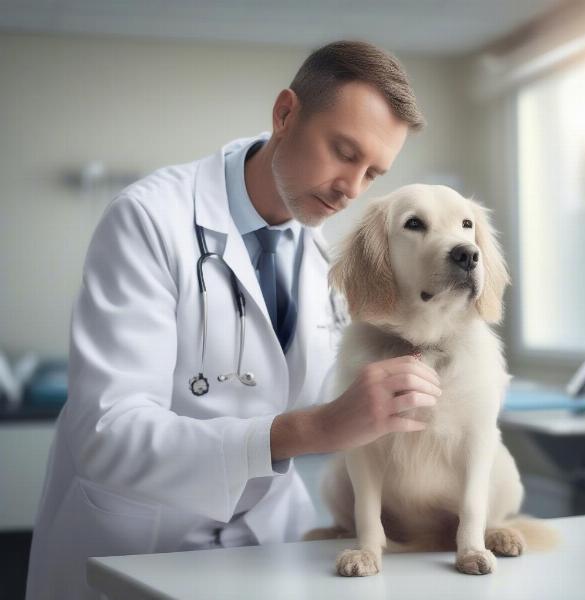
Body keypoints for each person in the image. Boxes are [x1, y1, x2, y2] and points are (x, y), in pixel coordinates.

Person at [25, 40, 441, 600]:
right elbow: (109, 433)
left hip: (268, 544)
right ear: (286, 113)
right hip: (140, 547)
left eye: (373, 173)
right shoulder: (150, 218)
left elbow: (328, 393)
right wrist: (313, 429)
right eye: (344, 151)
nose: (351, 189)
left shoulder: (330, 256)